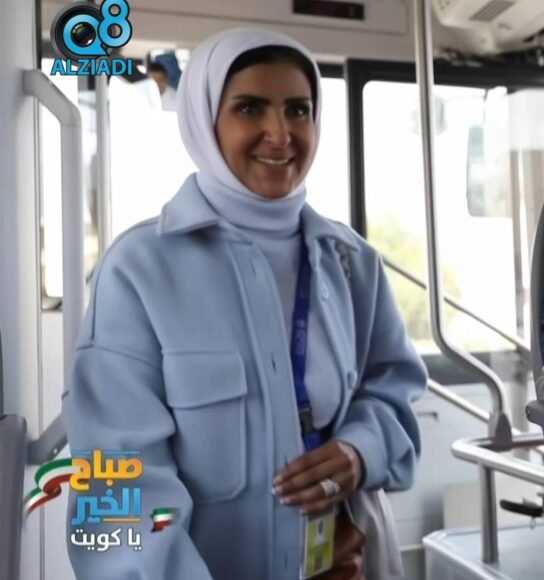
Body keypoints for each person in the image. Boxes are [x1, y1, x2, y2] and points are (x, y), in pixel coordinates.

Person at [62, 28, 426, 579]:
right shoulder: (140, 271)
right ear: (205, 121)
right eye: (250, 108)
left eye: (298, 110)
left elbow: (393, 392)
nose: (280, 134)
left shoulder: (351, 262)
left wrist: (360, 452)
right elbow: (116, 488)